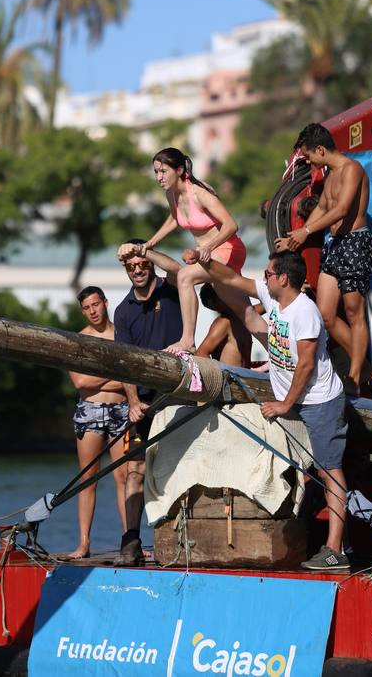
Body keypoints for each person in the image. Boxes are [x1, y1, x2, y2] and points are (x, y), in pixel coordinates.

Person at [190, 247, 350, 571]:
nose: (263, 278)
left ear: (284, 278)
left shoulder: (305, 312)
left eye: (268, 273)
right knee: (305, 469)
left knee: (330, 470)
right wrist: (204, 261)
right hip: (294, 397)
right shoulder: (274, 297)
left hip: (318, 400)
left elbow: (305, 366)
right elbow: (234, 280)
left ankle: (335, 550)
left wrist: (284, 404)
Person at [275, 123, 372, 394]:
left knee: (354, 312)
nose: (309, 162)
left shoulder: (352, 169)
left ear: (320, 149)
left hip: (355, 242)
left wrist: (307, 230)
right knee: (325, 314)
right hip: (334, 245)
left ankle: (355, 375)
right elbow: (322, 207)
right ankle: (363, 365)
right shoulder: (329, 172)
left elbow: (342, 209)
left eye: (309, 156)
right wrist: (298, 236)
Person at [113, 240, 184, 566]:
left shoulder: (169, 290)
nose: (139, 271)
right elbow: (124, 363)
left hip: (177, 395)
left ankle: (179, 538)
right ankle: (131, 539)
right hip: (143, 401)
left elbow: (178, 270)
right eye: (132, 267)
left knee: (180, 468)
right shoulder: (124, 310)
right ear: (126, 271)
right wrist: (131, 401)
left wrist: (145, 250)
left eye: (142, 266)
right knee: (134, 472)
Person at [143, 147, 246, 354]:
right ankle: (278, 356)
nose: (158, 177)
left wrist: (208, 246)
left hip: (226, 249)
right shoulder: (171, 195)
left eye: (163, 171)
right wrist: (151, 242)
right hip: (209, 254)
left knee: (184, 277)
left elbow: (231, 225)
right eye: (156, 172)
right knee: (247, 314)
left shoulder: (199, 193)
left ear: (179, 170)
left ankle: (187, 340)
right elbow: (174, 218)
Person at [67, 286, 129, 560]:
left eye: (96, 304)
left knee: (124, 478)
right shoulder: (79, 340)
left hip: (121, 410)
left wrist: (100, 377)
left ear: (105, 303)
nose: (93, 311)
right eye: (87, 308)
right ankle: (83, 543)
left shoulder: (122, 335)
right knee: (87, 478)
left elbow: (131, 379)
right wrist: (113, 374)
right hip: (89, 410)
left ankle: (130, 539)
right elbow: (79, 382)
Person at [196, 284, 253, 367]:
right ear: (218, 301)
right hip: (230, 377)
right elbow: (200, 353)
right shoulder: (224, 322)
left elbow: (262, 307)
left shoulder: (241, 317)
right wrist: (218, 377)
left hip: (245, 377)